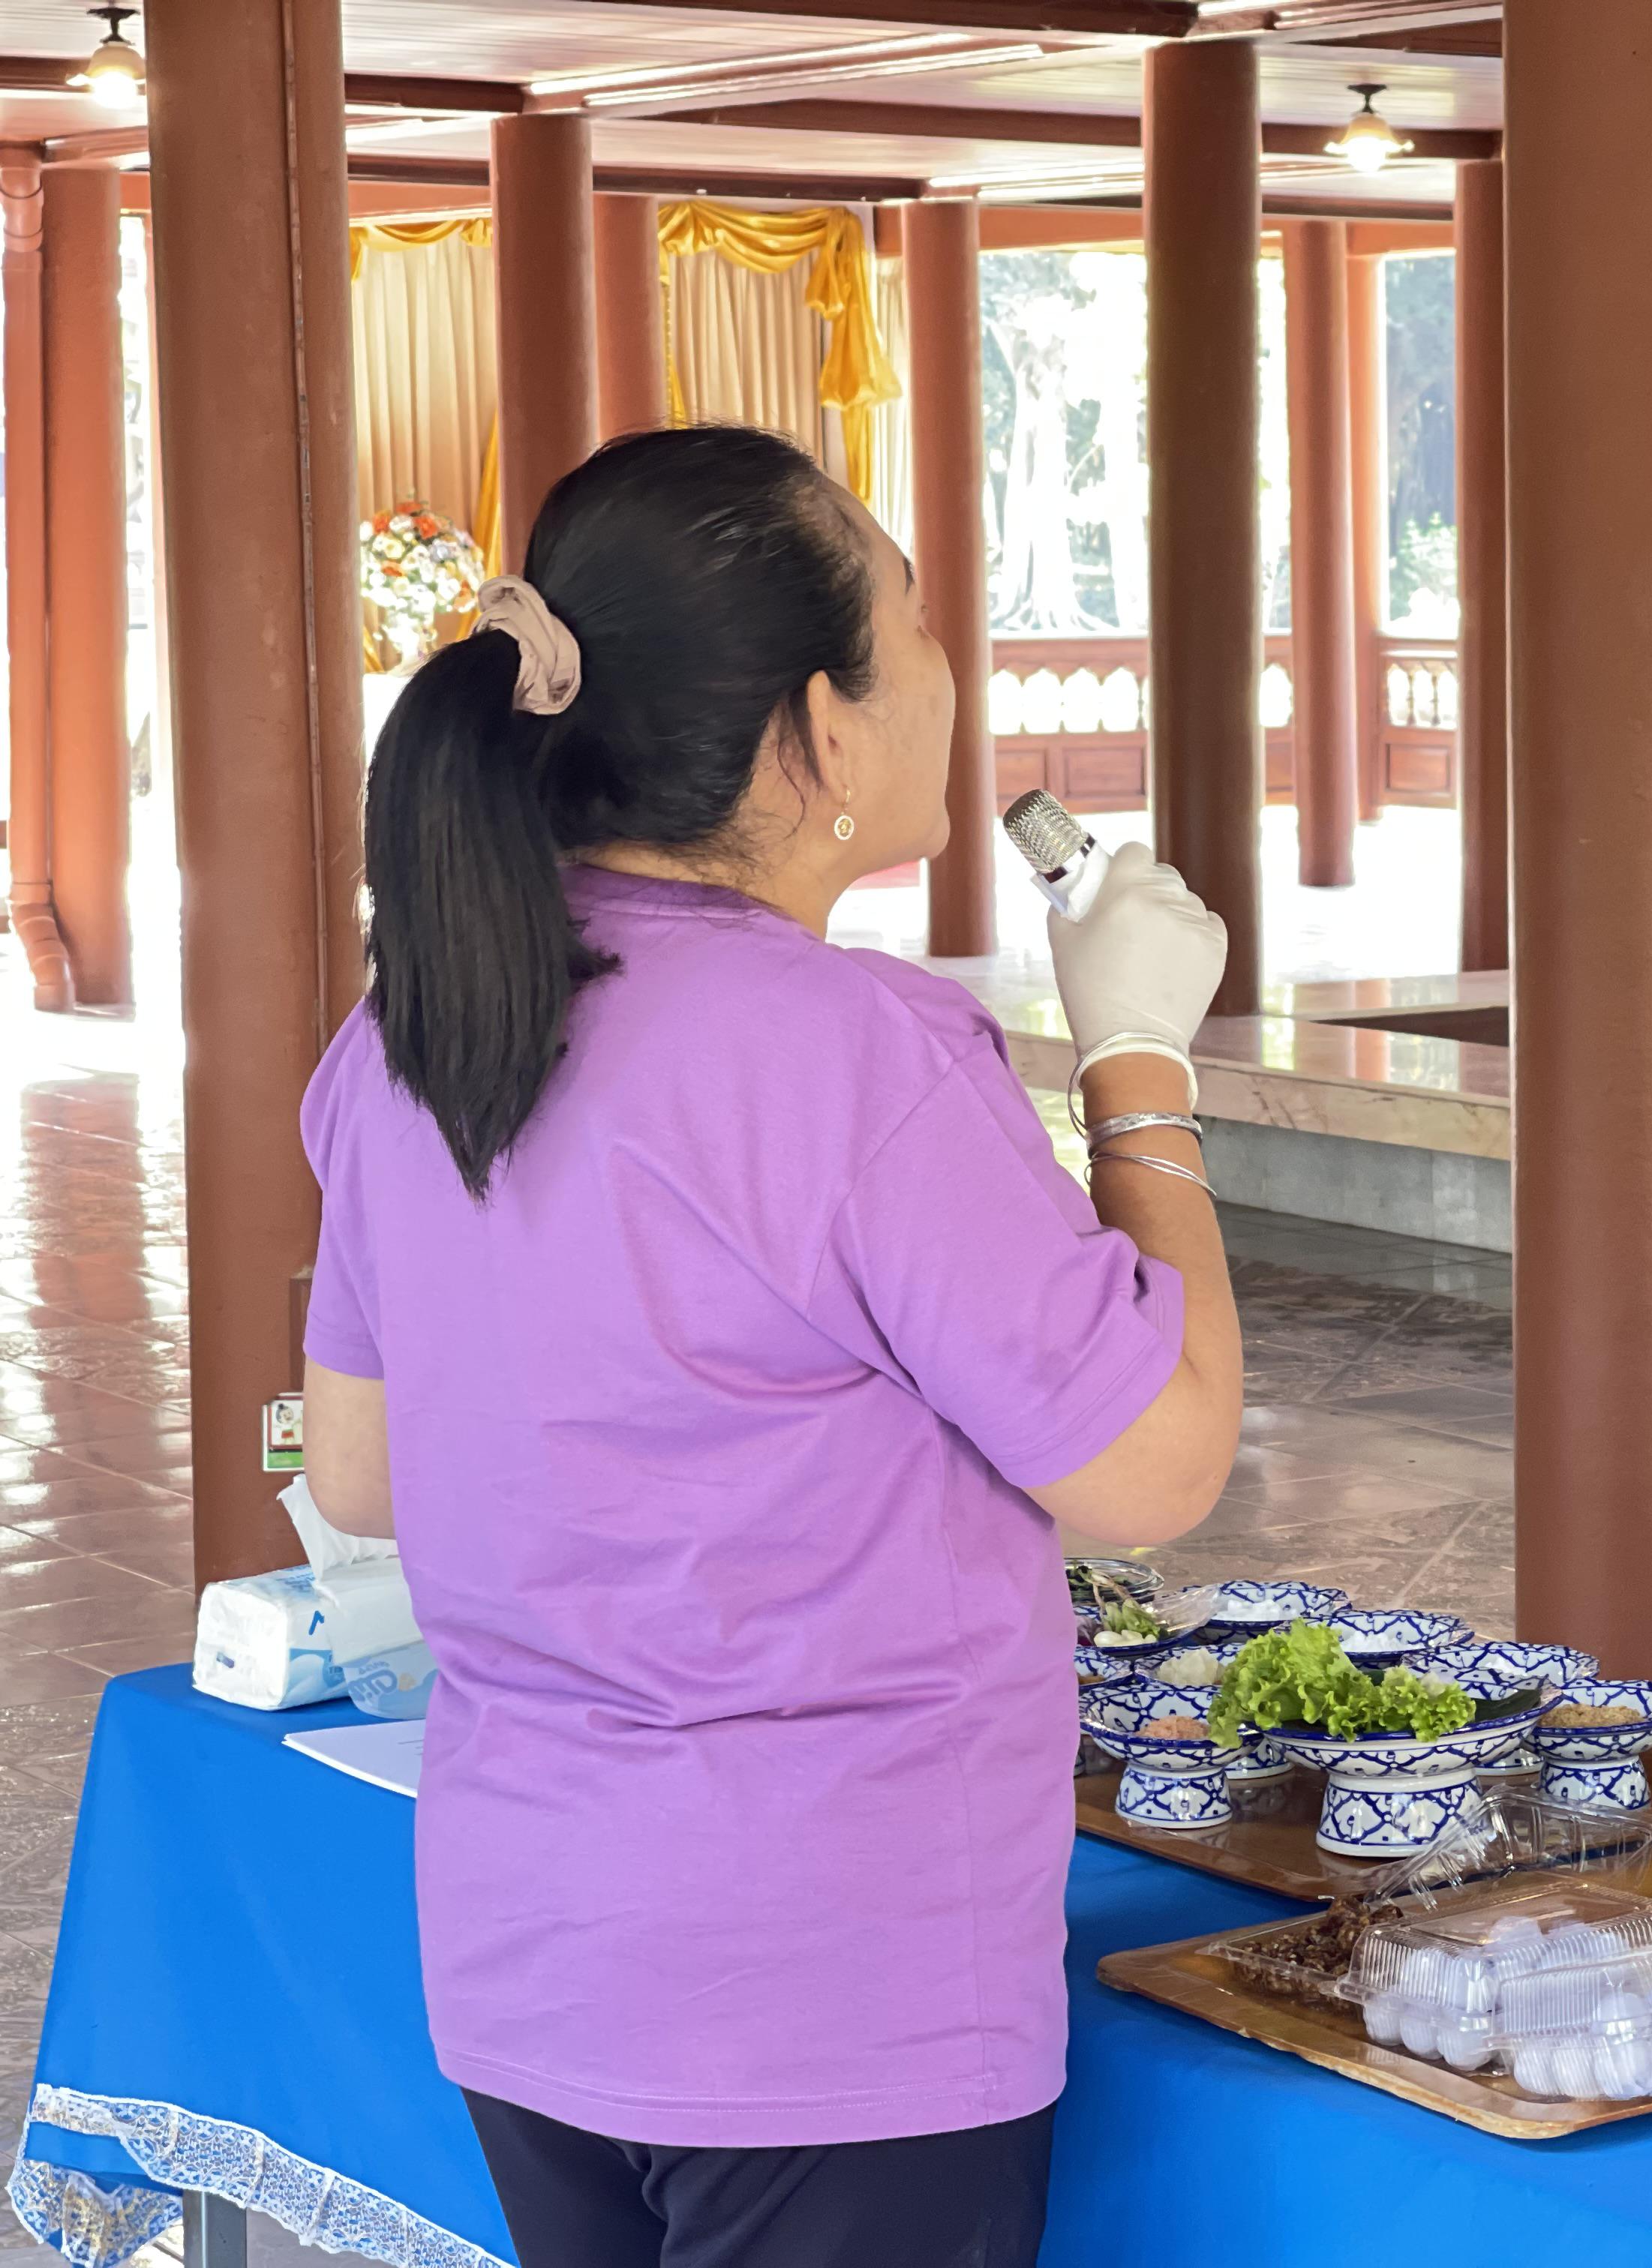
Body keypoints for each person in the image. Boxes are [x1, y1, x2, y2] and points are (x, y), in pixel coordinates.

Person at [296, 427, 1242, 2268]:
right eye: (911, 618)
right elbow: (1153, 1469)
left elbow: (356, 1474)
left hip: (530, 1965)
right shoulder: (860, 1056)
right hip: (829, 2000)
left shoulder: (421, 1025)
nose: (945, 666)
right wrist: (1141, 1070)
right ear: (817, 732)